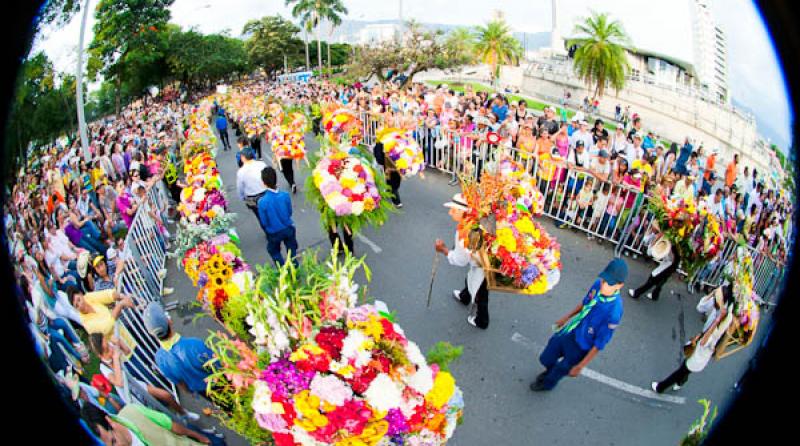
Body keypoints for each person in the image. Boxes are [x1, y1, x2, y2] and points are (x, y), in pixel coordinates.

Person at [531, 258, 627, 391]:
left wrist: (581, 365)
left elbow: (600, 343)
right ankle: (549, 370)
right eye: (604, 280)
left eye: (609, 284)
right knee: (547, 356)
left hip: (582, 346)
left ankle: (547, 383)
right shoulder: (598, 285)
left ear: (619, 285)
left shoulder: (613, 312)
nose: (603, 285)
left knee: (561, 369)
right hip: (572, 331)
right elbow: (585, 304)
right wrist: (566, 317)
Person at [652, 285, 734, 393]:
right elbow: (700, 307)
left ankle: (660, 387)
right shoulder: (717, 306)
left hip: (704, 349)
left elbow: (706, 340)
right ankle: (681, 382)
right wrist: (710, 295)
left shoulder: (724, 320)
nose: (714, 299)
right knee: (686, 368)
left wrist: (717, 320)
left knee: (684, 368)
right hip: (701, 340)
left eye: (716, 298)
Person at [434, 194, 489, 329]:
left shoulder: (465, 232)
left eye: (453, 210)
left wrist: (444, 250)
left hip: (483, 264)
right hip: (482, 258)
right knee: (471, 278)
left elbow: (460, 260)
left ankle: (482, 320)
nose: (450, 212)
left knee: (481, 292)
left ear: (461, 211)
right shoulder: (476, 218)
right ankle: (465, 296)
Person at [144, 302, 218, 400]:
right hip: (220, 383)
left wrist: (190, 391)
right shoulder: (194, 344)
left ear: (151, 333)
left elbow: (179, 383)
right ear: (169, 320)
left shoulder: (159, 358)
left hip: (203, 391)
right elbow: (218, 365)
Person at [80, 402, 219, 445]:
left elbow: (171, 425)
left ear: (110, 422)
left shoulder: (133, 411)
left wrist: (199, 436)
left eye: (114, 441)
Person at [256, 167, 298, 266]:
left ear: (263, 182)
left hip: (274, 232)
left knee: (273, 250)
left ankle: (282, 268)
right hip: (288, 227)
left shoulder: (262, 202)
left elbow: (264, 222)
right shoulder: (285, 195)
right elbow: (289, 212)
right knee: (291, 249)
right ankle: (294, 266)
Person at [67, 286, 135, 337]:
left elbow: (106, 295)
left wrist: (120, 296)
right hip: (117, 348)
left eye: (79, 300)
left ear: (81, 294)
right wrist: (120, 305)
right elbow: (106, 328)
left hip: (125, 334)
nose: (80, 305)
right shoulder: (86, 323)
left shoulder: (88, 297)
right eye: (76, 306)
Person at [236, 147, 268, 219]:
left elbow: (240, 187)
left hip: (252, 198)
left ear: (243, 158)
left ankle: (267, 229)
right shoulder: (261, 164)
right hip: (266, 192)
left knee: (260, 216)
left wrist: (242, 197)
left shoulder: (241, 171)